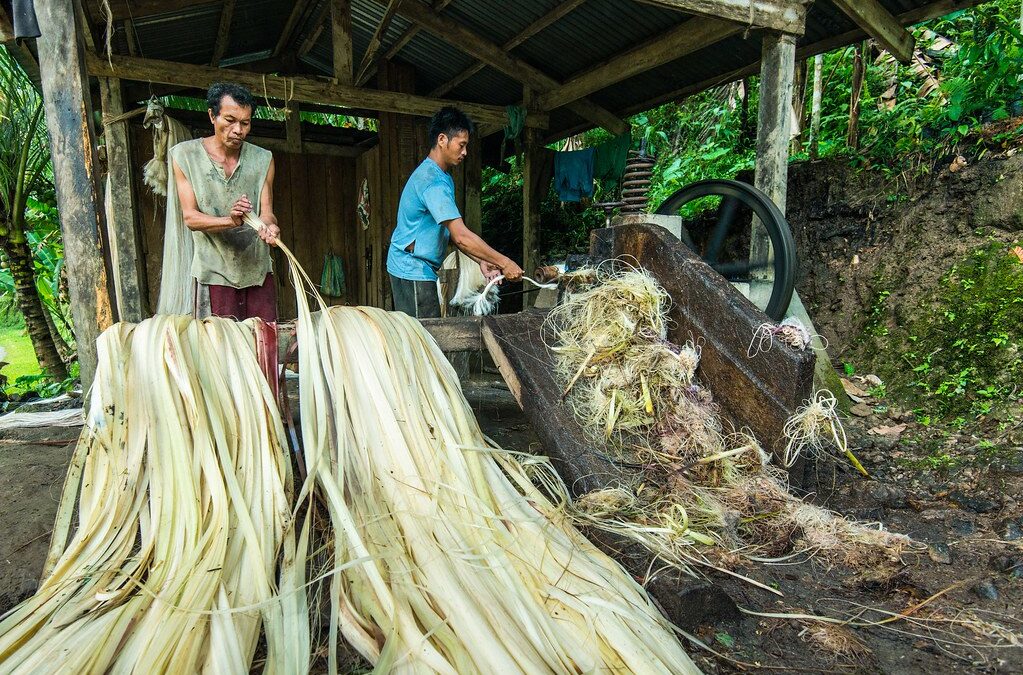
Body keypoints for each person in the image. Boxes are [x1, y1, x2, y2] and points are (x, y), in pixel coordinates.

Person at [387, 106, 524, 318]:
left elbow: (451, 233)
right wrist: (504, 262)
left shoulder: (443, 178)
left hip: (418, 267)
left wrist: (482, 261)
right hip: (410, 267)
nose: (465, 152)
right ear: (442, 139)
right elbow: (461, 236)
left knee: (425, 339)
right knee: (425, 339)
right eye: (461, 145)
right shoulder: (432, 181)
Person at [170, 82, 281, 322]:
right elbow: (190, 218)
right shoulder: (185, 156)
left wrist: (270, 227)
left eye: (245, 123)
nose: (238, 130)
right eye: (230, 120)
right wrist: (230, 221)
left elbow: (267, 213)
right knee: (217, 352)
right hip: (213, 275)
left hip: (257, 273)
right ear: (212, 115)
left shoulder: (263, 159)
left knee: (263, 349)